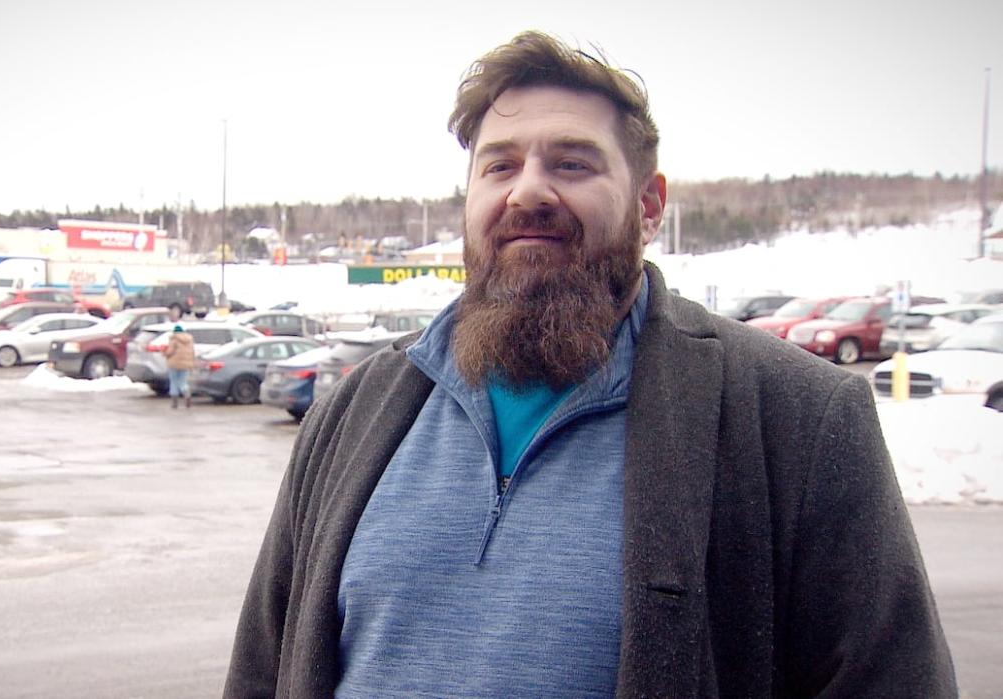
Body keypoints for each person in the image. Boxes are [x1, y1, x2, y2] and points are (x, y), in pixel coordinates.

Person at [224, 31, 955, 698]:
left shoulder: (795, 418)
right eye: (499, 165)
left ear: (649, 204)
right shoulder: (353, 415)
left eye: (571, 163)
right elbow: (262, 670)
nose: (529, 189)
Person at [163, 324, 195, 409]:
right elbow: (192, 352)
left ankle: (174, 403)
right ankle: (187, 396)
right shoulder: (189, 340)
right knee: (183, 382)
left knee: (174, 382)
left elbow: (170, 352)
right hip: (186, 364)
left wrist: (164, 353)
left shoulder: (174, 339)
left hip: (174, 364)